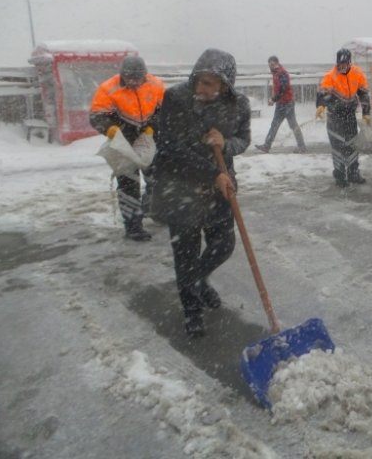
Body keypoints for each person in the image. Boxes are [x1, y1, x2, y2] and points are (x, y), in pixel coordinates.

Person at [150, 48, 251, 338]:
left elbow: (243, 140)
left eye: (209, 83)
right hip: (180, 187)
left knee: (224, 244)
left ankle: (198, 280)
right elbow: (171, 147)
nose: (201, 88)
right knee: (186, 252)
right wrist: (213, 173)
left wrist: (226, 143)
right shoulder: (176, 99)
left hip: (219, 189)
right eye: (199, 81)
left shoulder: (238, 105)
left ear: (225, 85)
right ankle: (192, 311)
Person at [89, 55, 165, 241]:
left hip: (148, 138)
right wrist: (110, 129)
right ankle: (133, 227)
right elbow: (96, 116)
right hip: (122, 140)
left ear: (145, 75)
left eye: (138, 78)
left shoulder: (156, 85)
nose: (134, 82)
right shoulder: (108, 88)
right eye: (130, 78)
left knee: (158, 178)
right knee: (128, 185)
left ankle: (155, 211)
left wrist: (153, 127)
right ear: (122, 75)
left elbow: (164, 111)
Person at [316, 48, 371, 187]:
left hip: (350, 116)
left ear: (349, 63)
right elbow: (323, 93)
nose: (342, 67)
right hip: (334, 116)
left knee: (352, 145)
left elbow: (364, 94)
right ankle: (340, 176)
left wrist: (366, 113)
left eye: (345, 64)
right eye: (339, 64)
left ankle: (353, 173)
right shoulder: (330, 76)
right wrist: (321, 106)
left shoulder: (357, 74)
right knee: (338, 147)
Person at [255, 56, 306, 153]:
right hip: (282, 103)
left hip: (287, 104)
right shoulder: (276, 73)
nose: (271, 66)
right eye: (270, 64)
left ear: (277, 63)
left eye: (273, 64)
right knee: (277, 125)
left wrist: (273, 99)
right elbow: (278, 89)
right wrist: (275, 99)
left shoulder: (281, 73)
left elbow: (283, 89)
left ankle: (301, 146)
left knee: (291, 125)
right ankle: (267, 146)